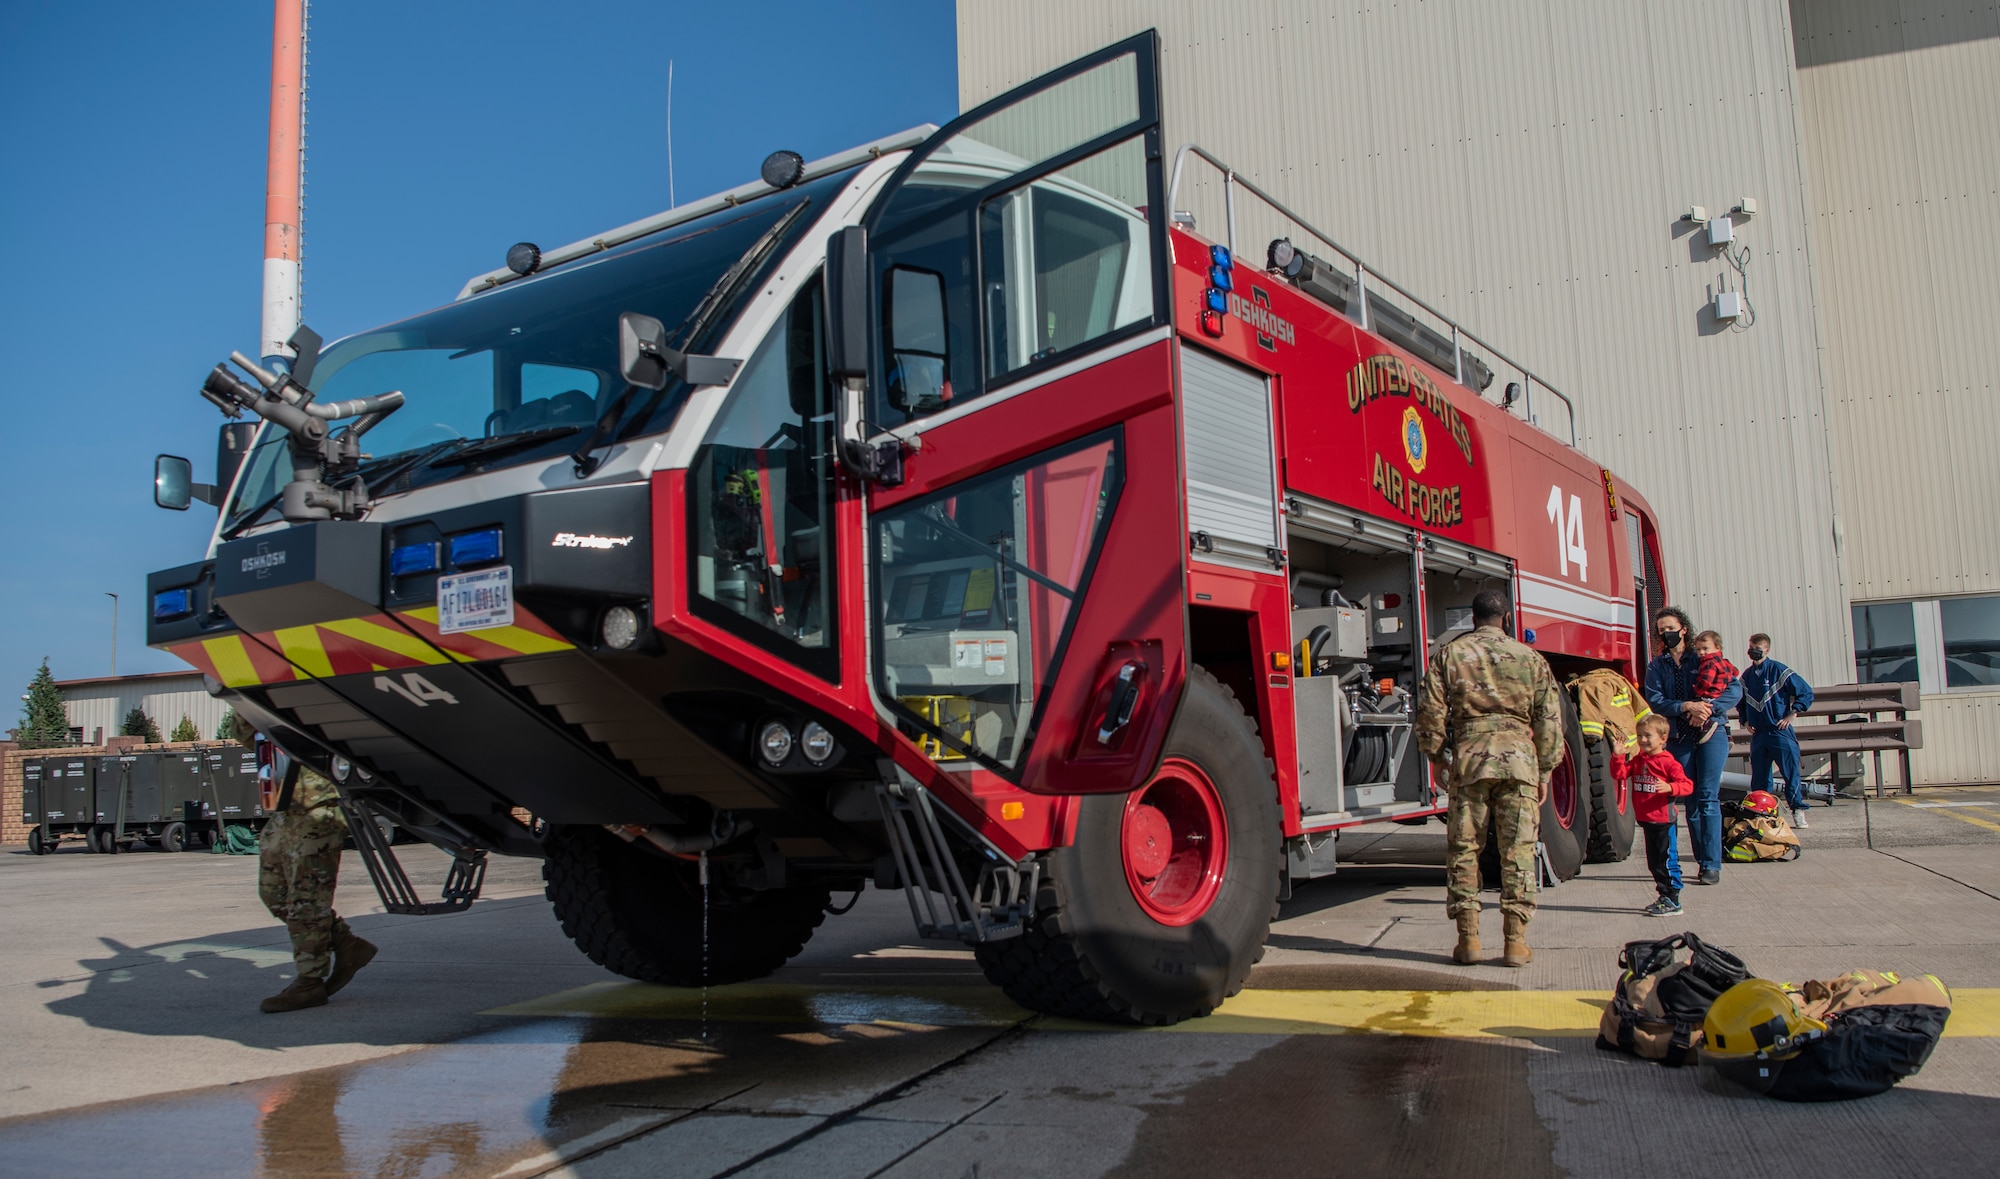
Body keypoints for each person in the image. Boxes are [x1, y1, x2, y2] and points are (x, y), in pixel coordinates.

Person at [1415, 588, 1564, 968]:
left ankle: (1469, 941)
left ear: (1472, 617)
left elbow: (1430, 710)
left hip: (1470, 762)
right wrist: (1544, 769)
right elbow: (1549, 719)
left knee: (1465, 851)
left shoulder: (1451, 655)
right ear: (1507, 619)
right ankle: (1515, 943)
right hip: (1518, 764)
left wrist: (1436, 758)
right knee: (1518, 852)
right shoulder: (1530, 658)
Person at [233, 715, 377, 1012]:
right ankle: (346, 944)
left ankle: (310, 981)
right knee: (273, 894)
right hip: (285, 809)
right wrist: (241, 702)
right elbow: (246, 735)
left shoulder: (314, 704)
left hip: (320, 808)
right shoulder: (267, 714)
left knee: (306, 902)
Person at [1643, 607, 1740, 886]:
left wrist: (1708, 709)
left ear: (1683, 628)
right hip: (1678, 739)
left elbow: (1734, 689)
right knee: (1691, 801)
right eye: (1661, 630)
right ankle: (1700, 858)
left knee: (1708, 797)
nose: (1666, 633)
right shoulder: (1657, 665)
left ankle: (1711, 865)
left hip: (1711, 734)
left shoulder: (1703, 655)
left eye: (1670, 627)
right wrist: (1686, 706)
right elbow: (1656, 700)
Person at [1613, 713, 1693, 916]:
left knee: (1667, 861)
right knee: (1654, 863)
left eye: (1648, 735)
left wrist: (1670, 787)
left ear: (1663, 738)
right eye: (1639, 735)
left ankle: (1673, 899)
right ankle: (1663, 896)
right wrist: (1618, 756)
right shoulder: (1640, 760)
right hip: (1647, 821)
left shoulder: (1668, 763)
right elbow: (1620, 774)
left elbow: (1687, 785)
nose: (1642, 740)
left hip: (1664, 822)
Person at [1737, 632, 1816, 828]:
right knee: (1760, 777)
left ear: (1767, 649)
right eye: (1751, 647)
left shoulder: (1779, 670)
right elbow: (1740, 701)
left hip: (1779, 731)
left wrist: (1793, 714)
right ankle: (1761, 813)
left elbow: (1805, 692)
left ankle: (1798, 811)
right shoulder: (1746, 676)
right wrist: (1745, 720)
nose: (1753, 651)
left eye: (1758, 648)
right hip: (1759, 733)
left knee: (1790, 773)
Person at [1689, 630, 1738, 742]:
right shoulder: (1724, 661)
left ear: (1717, 647)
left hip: (1710, 692)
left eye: (1705, 649)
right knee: (1722, 713)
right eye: (1698, 650)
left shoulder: (1708, 663)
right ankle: (1727, 732)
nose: (1701, 652)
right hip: (1721, 691)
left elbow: (1706, 681)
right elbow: (1735, 671)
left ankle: (1708, 725)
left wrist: (1696, 690)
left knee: (1705, 707)